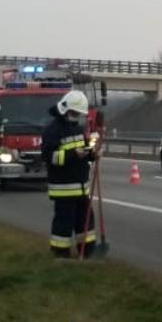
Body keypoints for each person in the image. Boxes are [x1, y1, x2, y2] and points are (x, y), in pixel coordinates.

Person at [42, 90, 98, 257]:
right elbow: (49, 156)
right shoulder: (52, 130)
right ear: (64, 109)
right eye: (74, 113)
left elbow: (87, 149)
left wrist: (92, 154)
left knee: (86, 221)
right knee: (64, 223)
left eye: (79, 114)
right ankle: (61, 252)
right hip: (63, 187)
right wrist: (73, 155)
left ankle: (87, 251)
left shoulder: (78, 129)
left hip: (81, 187)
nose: (76, 116)